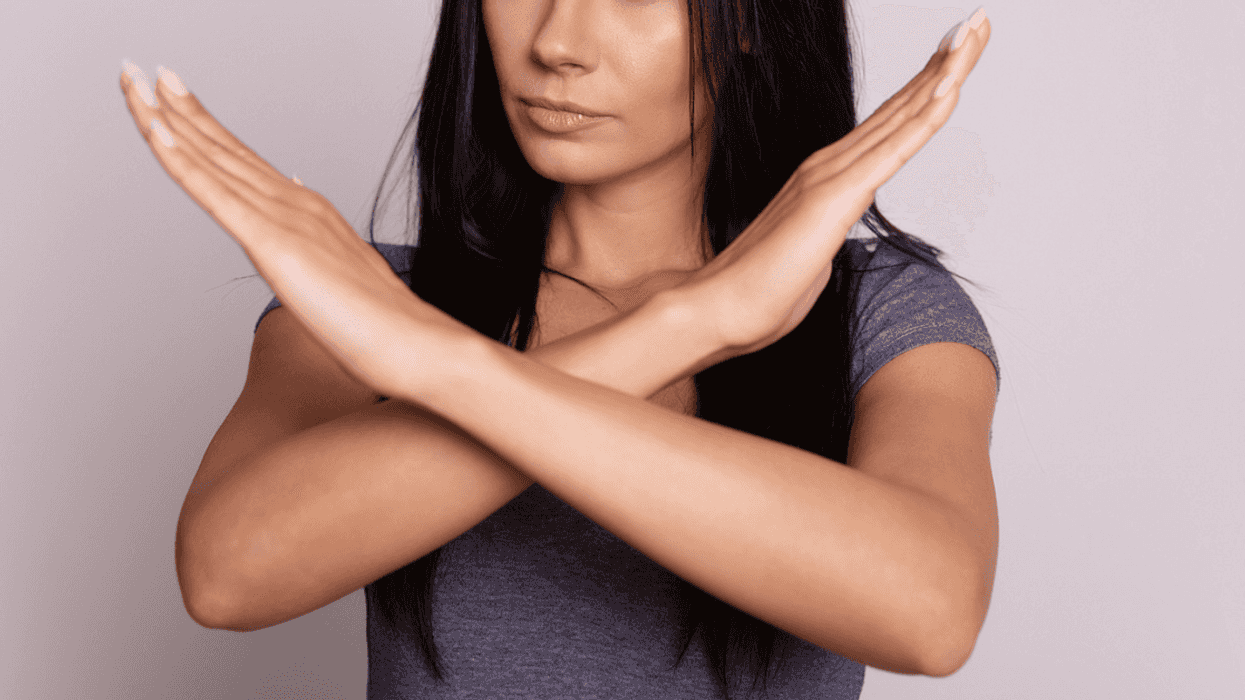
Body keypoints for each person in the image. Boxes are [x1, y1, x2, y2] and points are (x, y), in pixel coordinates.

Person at [121, 0, 998, 698]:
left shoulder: (878, 310)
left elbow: (930, 612)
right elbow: (227, 574)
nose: (555, 43)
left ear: (745, 20)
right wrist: (691, 324)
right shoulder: (370, 303)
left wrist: (437, 365)